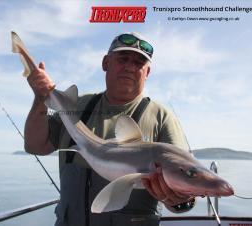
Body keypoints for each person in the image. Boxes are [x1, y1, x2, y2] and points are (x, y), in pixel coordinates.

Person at [24, 32, 196, 226]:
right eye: (123, 59)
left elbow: (185, 193)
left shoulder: (161, 117)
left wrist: (180, 199)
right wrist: (41, 100)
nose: (130, 67)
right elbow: (35, 146)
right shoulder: (76, 108)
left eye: (139, 63)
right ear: (106, 63)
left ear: (147, 73)